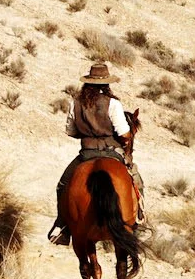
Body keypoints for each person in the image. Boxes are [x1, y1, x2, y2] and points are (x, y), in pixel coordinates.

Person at [50, 60, 140, 245]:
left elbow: (70, 131)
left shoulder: (75, 103)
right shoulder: (113, 104)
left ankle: (63, 227)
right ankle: (138, 216)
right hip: (111, 152)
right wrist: (125, 138)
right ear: (107, 84)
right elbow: (123, 133)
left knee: (62, 185)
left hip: (86, 154)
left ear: (88, 83)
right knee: (136, 179)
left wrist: (87, 132)